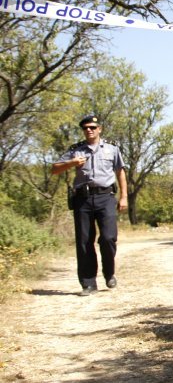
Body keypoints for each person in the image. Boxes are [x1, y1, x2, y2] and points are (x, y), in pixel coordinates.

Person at [52, 115, 128, 296]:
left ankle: (109, 273)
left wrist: (124, 197)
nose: (89, 130)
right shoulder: (76, 150)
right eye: (86, 128)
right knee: (84, 241)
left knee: (108, 238)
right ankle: (88, 283)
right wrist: (71, 163)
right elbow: (55, 168)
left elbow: (120, 172)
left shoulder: (112, 149)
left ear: (99, 129)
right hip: (83, 199)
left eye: (93, 127)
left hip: (106, 197)